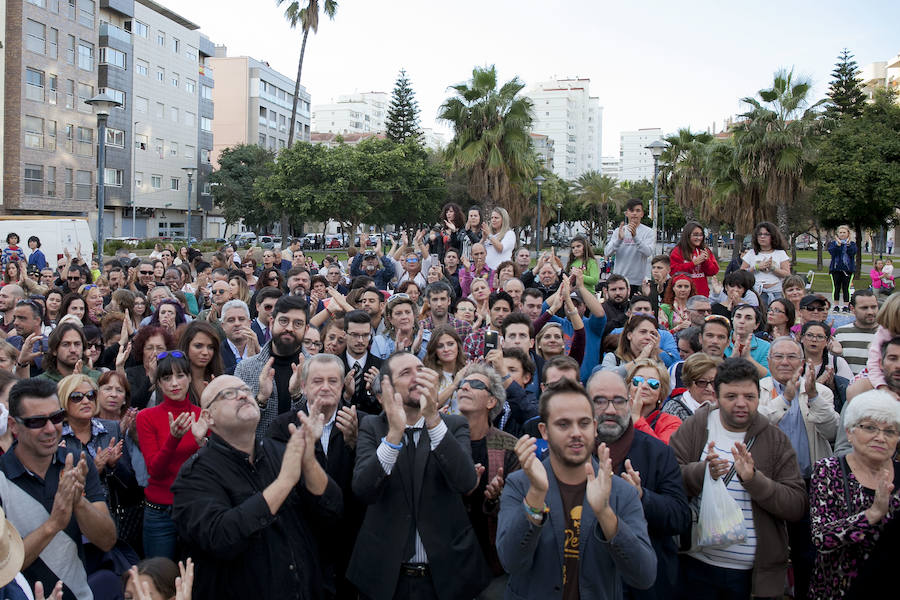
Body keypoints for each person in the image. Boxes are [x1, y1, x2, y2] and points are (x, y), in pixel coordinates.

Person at [171, 374, 342, 599]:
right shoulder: (195, 475)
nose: (243, 395)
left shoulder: (279, 452)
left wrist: (308, 460)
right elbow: (221, 537)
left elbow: (332, 509)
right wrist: (284, 482)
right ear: (208, 417)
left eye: (246, 390)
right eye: (228, 394)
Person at [347, 352, 492, 599]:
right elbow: (363, 489)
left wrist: (433, 418)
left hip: (447, 577)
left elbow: (466, 481)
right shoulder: (372, 427)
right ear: (383, 393)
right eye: (406, 373)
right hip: (387, 579)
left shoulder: (454, 425)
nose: (418, 377)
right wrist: (393, 435)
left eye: (420, 369)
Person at [496, 377, 657, 598]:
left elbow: (644, 575)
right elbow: (511, 562)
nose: (575, 433)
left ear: (594, 427)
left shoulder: (620, 491)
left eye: (583, 423)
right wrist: (536, 495)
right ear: (544, 431)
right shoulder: (520, 484)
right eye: (563, 424)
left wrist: (605, 513)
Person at [670, 357, 807, 600]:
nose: (741, 404)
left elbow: (796, 505)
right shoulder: (696, 426)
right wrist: (702, 472)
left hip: (753, 576)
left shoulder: (775, 439)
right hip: (695, 565)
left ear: (759, 395)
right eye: (731, 396)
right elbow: (668, 482)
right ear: (716, 394)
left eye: (749, 397)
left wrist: (754, 480)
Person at [1, 378, 117, 599]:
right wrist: (53, 524)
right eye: (36, 422)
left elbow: (107, 540)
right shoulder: (1, 478)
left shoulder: (76, 465)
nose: (50, 429)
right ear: (14, 425)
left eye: (56, 418)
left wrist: (78, 502)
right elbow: (2, 567)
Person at [266, 354, 362, 599]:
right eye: (318, 381)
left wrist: (356, 442)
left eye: (333, 381)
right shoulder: (283, 426)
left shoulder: (360, 424)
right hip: (301, 538)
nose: (326, 387)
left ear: (343, 386)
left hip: (349, 541)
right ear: (305, 386)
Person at [589, 370, 691, 599]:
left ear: (629, 403)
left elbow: (680, 518)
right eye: (600, 401)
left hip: (645, 584)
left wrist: (641, 496)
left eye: (618, 401)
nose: (610, 410)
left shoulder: (657, 452)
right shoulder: (575, 450)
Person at [809, 390, 900, 599]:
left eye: (890, 431)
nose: (880, 437)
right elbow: (821, 537)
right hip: (839, 589)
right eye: (870, 428)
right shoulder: (828, 470)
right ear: (849, 432)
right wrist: (872, 514)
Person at [454, 363, 520, 597]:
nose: (465, 388)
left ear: (492, 401)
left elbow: (518, 507)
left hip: (491, 559)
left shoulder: (509, 445)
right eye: (462, 384)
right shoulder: (442, 438)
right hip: (447, 557)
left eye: (476, 385)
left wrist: (497, 499)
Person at [135, 351, 204, 559]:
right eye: (167, 378)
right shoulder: (146, 417)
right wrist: (173, 438)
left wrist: (203, 443)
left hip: (195, 508)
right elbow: (154, 470)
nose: (174, 383)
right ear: (159, 382)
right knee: (160, 578)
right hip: (160, 512)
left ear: (190, 378)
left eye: (180, 376)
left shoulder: (201, 415)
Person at [235, 295, 309, 437]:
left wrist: (297, 396)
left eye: (298, 323)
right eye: (283, 321)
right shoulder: (245, 368)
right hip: (260, 454)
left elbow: (322, 420)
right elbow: (238, 422)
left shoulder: (316, 368)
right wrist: (261, 398)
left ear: (306, 329)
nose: (289, 328)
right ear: (271, 323)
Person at [625, 359, 682, 444]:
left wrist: (636, 418)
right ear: (629, 387)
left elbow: (662, 453)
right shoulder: (616, 415)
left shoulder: (671, 423)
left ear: (661, 392)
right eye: (637, 381)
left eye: (653, 383)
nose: (643, 386)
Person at [605, 199, 654, 296]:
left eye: (638, 210)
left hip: (638, 282)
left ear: (642, 214)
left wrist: (635, 237)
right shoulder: (619, 230)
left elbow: (648, 252)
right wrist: (619, 240)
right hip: (619, 281)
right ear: (627, 213)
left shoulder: (649, 232)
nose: (634, 213)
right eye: (632, 211)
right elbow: (607, 252)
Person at [800, 321, 854, 406]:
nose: (814, 340)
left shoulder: (837, 362)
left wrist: (833, 384)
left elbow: (849, 390)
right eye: (809, 335)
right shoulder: (794, 362)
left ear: (827, 341)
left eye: (820, 337)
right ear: (802, 338)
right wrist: (820, 382)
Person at [741, 221, 792, 304]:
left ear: (773, 236)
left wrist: (772, 268)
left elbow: (787, 274)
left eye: (766, 234)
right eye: (760, 234)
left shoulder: (780, 253)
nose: (762, 237)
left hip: (777, 293)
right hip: (756, 293)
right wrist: (756, 267)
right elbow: (741, 273)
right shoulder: (751, 253)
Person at [35, 322, 101, 384]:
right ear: (54, 350)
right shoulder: (40, 383)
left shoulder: (97, 378)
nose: (73, 350)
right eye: (66, 344)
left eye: (77, 344)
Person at [663, 352, 722, 421]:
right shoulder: (673, 410)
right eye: (702, 382)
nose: (710, 388)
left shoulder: (725, 406)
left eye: (713, 382)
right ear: (688, 383)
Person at [177, 320, 224, 406]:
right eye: (198, 346)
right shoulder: (174, 381)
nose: (205, 352)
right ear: (186, 346)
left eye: (210, 347)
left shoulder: (220, 380)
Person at [833, 290, 879, 376]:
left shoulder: (888, 334)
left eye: (874, 307)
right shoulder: (840, 334)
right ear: (852, 308)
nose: (870, 312)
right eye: (864, 308)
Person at [371, 294, 430, 360]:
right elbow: (378, 369)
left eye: (408, 312)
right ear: (390, 319)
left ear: (413, 315)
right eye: (398, 313)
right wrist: (396, 355)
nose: (404, 317)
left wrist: (418, 351)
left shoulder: (428, 338)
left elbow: (435, 367)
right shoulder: (379, 343)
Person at [669, 221, 719, 298]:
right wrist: (692, 264)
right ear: (687, 235)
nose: (699, 238)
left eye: (701, 235)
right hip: (683, 295)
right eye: (695, 235)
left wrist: (706, 261)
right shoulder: (678, 251)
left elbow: (713, 271)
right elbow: (673, 272)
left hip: (702, 295)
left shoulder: (705, 250)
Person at [724, 304, 770, 378]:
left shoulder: (766, 347)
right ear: (732, 320)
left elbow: (769, 377)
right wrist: (732, 359)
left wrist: (748, 359)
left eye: (748, 318)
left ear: (756, 325)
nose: (742, 321)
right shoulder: (720, 341)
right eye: (738, 317)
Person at [218, 300, 260, 376]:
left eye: (241, 319)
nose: (237, 324)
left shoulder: (260, 348)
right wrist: (249, 361)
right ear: (223, 326)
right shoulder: (217, 352)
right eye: (231, 320)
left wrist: (259, 353)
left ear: (249, 323)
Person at [827, 226, 857, 312]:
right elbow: (832, 252)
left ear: (848, 234)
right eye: (840, 232)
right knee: (836, 288)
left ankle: (845, 306)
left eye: (844, 232)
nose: (842, 234)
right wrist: (838, 245)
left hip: (847, 270)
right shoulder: (833, 244)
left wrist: (847, 245)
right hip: (836, 269)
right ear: (837, 234)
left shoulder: (852, 244)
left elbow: (853, 252)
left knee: (846, 288)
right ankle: (836, 305)